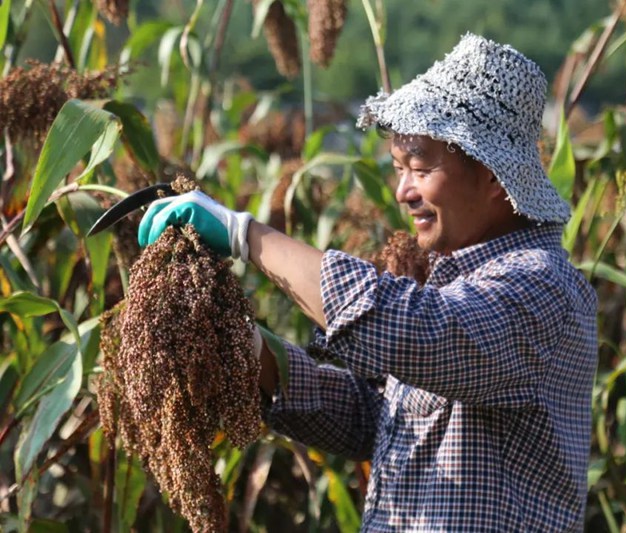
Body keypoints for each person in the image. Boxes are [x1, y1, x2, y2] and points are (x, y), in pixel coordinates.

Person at [139, 33, 598, 532]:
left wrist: (245, 234)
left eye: (420, 168)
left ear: (493, 176)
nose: (403, 191)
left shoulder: (542, 287)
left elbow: (421, 333)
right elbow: (376, 420)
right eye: (399, 169)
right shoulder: (460, 286)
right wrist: (251, 351)